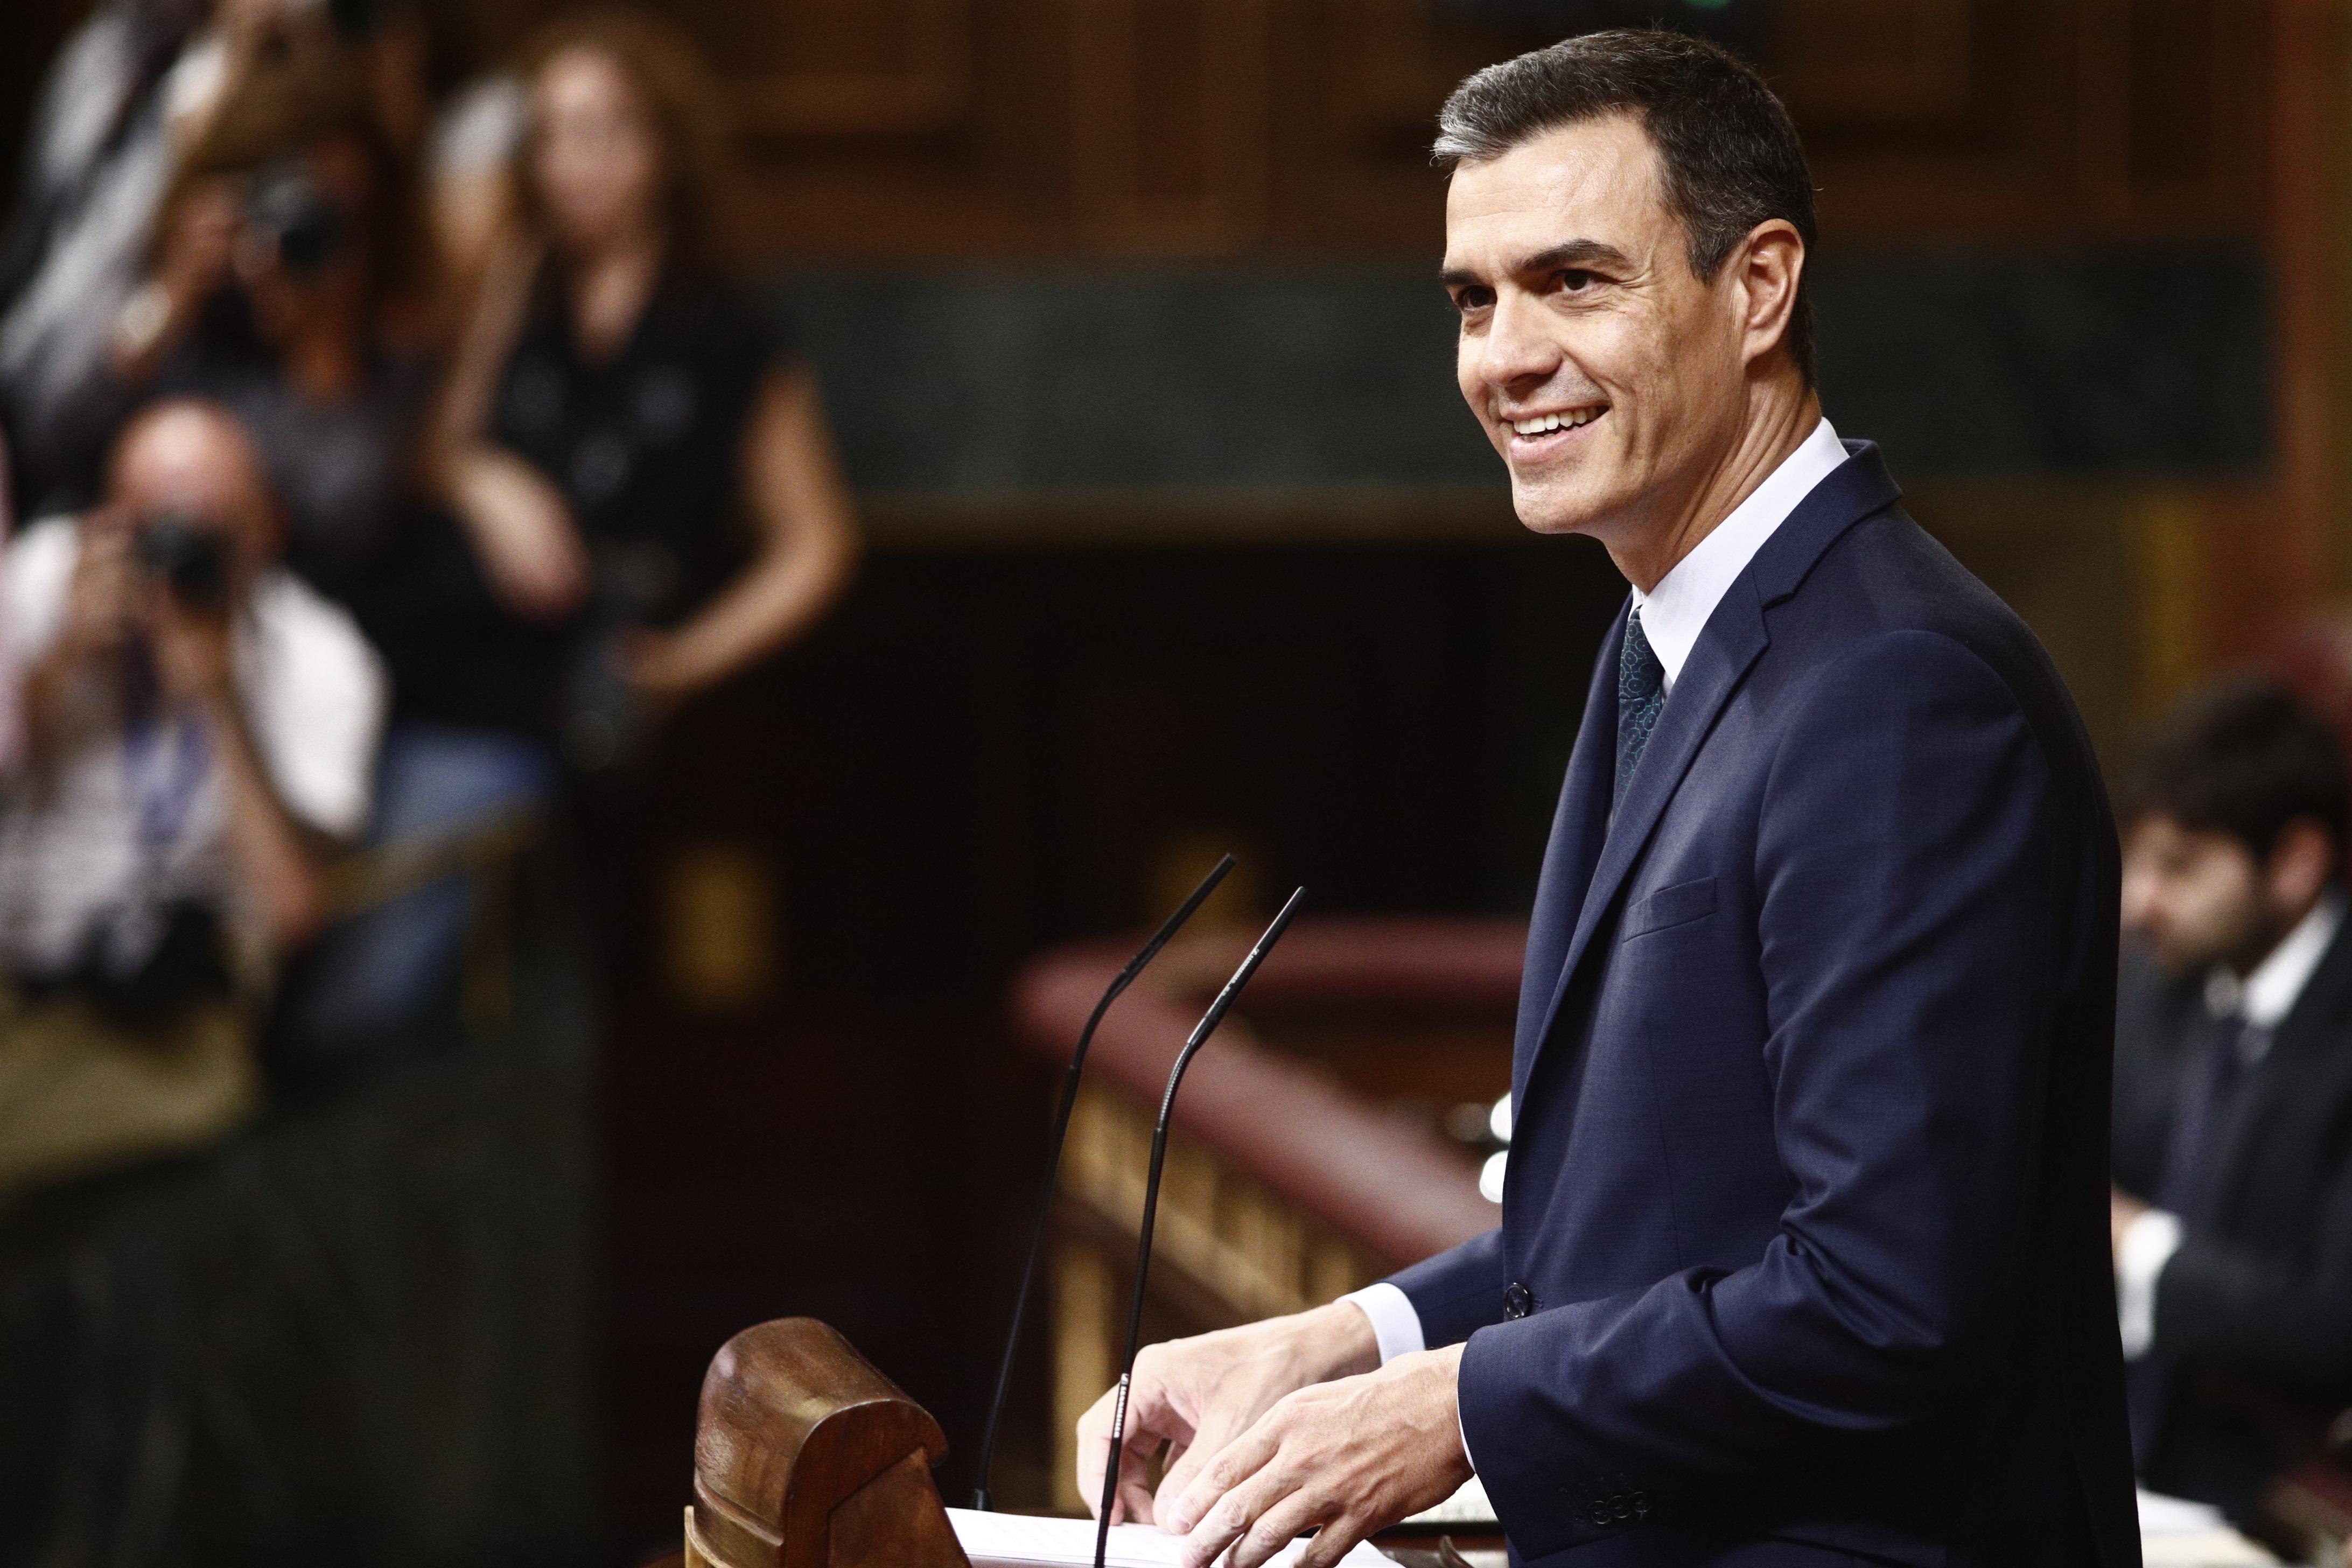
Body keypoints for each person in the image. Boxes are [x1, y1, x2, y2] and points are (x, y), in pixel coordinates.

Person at [1075, 32, 2134, 1568]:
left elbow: (1885, 1298)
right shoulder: (1664, 632)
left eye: (1574, 282)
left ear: (1758, 288)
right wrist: (1340, 1343)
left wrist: (1449, 1410)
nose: (1504, 355)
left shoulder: (1901, 689)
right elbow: (1661, 1227)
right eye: (1472, 298)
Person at [412, 6, 857, 769]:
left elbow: (816, 543)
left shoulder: (723, 322)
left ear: (664, 145)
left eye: (602, 131)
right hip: (473, 661)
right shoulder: (514, 277)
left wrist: (684, 660)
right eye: (550, 136)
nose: (572, 163)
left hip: (617, 680)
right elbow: (431, 451)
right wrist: (485, 483)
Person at [0, 398, 385, 1195]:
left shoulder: (322, 660)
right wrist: (55, 658)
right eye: (149, 526)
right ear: (105, 521)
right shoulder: (42, 579)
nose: (172, 556)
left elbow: (290, 911)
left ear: (264, 531)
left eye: (204, 530)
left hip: (172, 1016)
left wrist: (216, 700)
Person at [2111, 677, 2352, 1523]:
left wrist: (2137, 1247)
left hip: (2280, 1503)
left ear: (2295, 865)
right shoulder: (2154, 987)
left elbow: (2333, 1321)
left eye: (2179, 867)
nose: (2139, 901)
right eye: (2136, 858)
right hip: (2119, 1477)